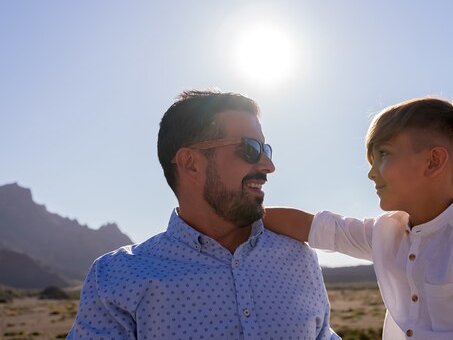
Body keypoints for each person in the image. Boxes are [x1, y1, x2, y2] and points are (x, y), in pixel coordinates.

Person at [69, 89, 338, 340]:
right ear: (191, 163)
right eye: (250, 148)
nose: (268, 165)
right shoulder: (117, 276)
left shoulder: (299, 258)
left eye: (265, 149)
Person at [264, 97, 453, 339]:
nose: (371, 173)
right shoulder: (386, 231)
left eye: (383, 154)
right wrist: (244, 215)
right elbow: (320, 228)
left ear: (433, 162)